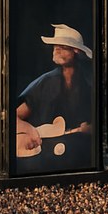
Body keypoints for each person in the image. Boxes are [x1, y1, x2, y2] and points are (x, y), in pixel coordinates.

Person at [14, 23, 93, 155]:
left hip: (75, 155)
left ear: (76, 51)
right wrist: (30, 130)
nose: (57, 50)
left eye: (63, 47)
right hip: (41, 154)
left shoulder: (87, 85)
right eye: (55, 46)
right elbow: (13, 118)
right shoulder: (45, 83)